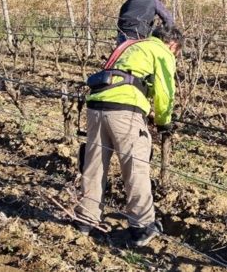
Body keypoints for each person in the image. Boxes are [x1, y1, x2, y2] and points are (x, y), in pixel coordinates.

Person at [75, 26, 183, 247]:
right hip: (125, 109)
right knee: (135, 165)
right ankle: (142, 227)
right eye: (176, 53)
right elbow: (165, 89)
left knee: (94, 164)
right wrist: (164, 121)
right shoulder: (162, 51)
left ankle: (85, 220)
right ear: (172, 45)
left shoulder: (130, 46)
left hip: (96, 105)